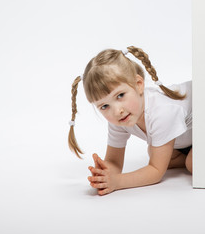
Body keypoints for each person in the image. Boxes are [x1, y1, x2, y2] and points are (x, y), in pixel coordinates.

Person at [68, 46, 192, 195]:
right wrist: (105, 175)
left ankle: (189, 158)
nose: (116, 111)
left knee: (192, 163)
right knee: (157, 153)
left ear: (138, 84)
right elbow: (114, 162)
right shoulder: (119, 118)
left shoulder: (162, 112)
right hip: (186, 140)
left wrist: (118, 182)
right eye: (104, 106)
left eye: (120, 96)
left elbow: (156, 171)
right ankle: (187, 155)